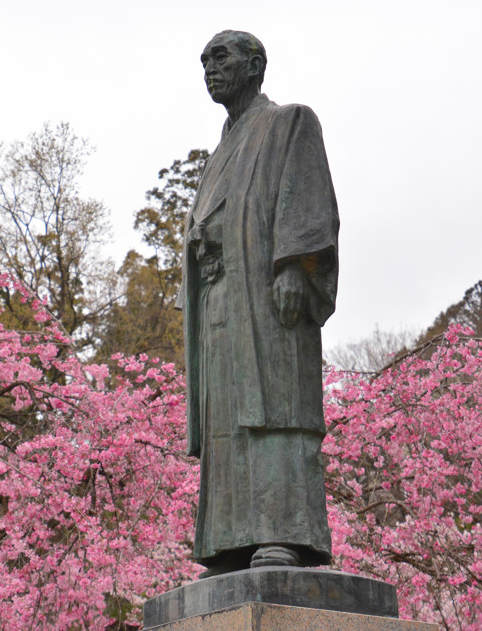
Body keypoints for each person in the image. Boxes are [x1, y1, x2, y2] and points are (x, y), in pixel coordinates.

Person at [178, 30, 340, 576]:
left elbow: (309, 197)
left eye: (220, 57)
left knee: (273, 408)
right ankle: (230, 538)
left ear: (256, 64)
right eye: (203, 61)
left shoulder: (289, 122)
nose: (209, 68)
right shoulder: (220, 150)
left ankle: (280, 532)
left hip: (268, 295)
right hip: (219, 299)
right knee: (226, 417)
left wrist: (295, 264)